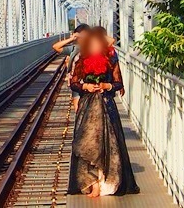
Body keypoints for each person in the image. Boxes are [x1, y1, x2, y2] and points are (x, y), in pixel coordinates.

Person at [68, 26, 139, 198]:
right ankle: (92, 183)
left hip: (106, 105)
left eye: (97, 44)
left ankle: (104, 182)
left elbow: (118, 83)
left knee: (108, 144)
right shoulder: (81, 59)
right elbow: (74, 83)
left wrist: (107, 86)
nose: (95, 47)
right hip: (88, 107)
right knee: (89, 143)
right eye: (91, 44)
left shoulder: (111, 59)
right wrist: (85, 86)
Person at [53, 24, 89, 111]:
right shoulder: (74, 48)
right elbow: (56, 47)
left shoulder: (95, 47)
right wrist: (71, 39)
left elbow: (111, 41)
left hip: (91, 81)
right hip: (77, 82)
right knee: (78, 110)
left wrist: (93, 35)